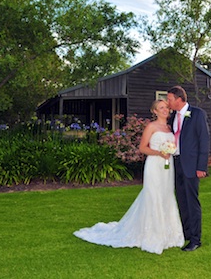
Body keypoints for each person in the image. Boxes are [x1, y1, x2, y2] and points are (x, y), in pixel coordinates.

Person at [73, 99, 184, 254]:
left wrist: (169, 152)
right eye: (161, 108)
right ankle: (152, 234)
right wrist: (160, 152)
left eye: (166, 107)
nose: (165, 110)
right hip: (154, 165)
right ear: (155, 111)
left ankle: (169, 234)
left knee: (166, 196)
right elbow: (142, 148)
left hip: (168, 166)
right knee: (153, 196)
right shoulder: (151, 127)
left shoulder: (169, 127)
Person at [167, 85, 210, 252]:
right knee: (182, 201)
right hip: (176, 164)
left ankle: (195, 239)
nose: (168, 102)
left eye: (170, 99)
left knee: (192, 203)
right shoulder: (173, 117)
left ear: (179, 99)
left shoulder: (197, 114)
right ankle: (185, 234)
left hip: (192, 166)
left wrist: (201, 167)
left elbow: (204, 141)